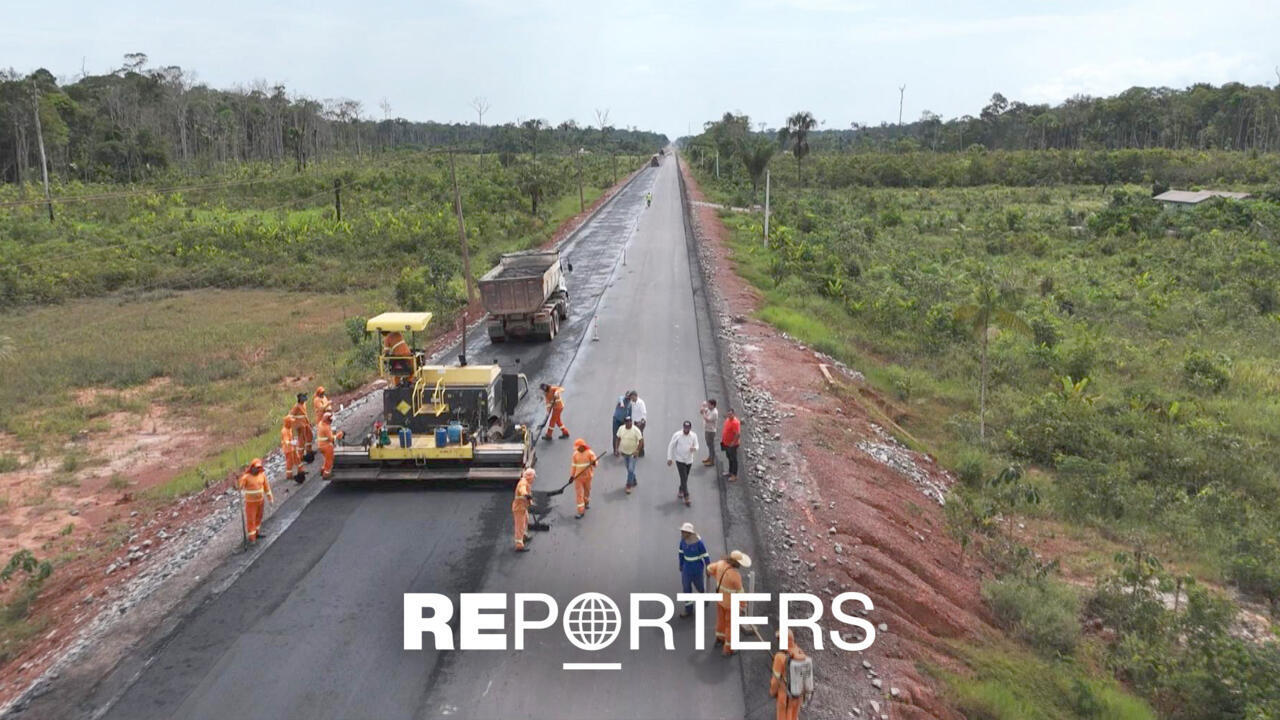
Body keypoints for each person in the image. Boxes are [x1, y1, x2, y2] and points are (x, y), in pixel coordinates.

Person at [707, 550, 750, 655]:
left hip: (720, 600)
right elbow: (740, 592)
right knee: (731, 626)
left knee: (720, 621)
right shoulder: (735, 576)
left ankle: (719, 639)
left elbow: (709, 569)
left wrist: (715, 575)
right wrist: (743, 606)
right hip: (731, 605)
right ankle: (728, 649)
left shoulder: (720, 564)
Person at [770, 630, 815, 720]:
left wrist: (772, 692)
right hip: (798, 694)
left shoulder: (779, 657)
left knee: (783, 716)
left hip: (785, 695)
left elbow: (776, 680)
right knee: (794, 715)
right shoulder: (799, 652)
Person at [236, 458, 273, 542]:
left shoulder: (262, 475)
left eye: (259, 468)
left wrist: (270, 498)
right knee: (251, 519)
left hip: (260, 501)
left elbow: (267, 487)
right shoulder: (246, 477)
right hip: (251, 503)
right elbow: (239, 487)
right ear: (252, 467)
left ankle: (257, 533)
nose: (257, 469)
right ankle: (252, 538)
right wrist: (238, 480)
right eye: (256, 468)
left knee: (259, 517)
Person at [677, 522, 709, 617]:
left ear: (689, 533)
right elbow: (681, 553)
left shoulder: (698, 542)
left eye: (683, 532)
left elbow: (705, 555)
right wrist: (681, 564)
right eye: (682, 531)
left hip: (697, 569)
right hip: (686, 569)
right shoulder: (682, 541)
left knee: (699, 587)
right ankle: (688, 610)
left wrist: (708, 567)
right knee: (686, 589)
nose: (682, 533)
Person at [666, 421, 700, 506]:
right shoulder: (677, 435)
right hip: (680, 459)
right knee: (683, 477)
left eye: (688, 428)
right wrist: (669, 458)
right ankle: (686, 496)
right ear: (683, 427)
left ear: (690, 428)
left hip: (689, 460)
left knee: (685, 477)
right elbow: (671, 446)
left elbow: (697, 445)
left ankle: (681, 489)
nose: (686, 429)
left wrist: (694, 448)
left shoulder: (693, 435)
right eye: (685, 427)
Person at [569, 438, 598, 518]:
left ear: (583, 446)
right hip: (578, 478)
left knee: (587, 491)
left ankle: (586, 502)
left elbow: (595, 464)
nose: (577, 449)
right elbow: (573, 466)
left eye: (578, 447)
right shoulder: (575, 454)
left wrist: (594, 462)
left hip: (588, 476)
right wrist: (572, 476)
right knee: (579, 494)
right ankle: (580, 511)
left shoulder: (590, 453)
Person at [615, 416, 644, 494]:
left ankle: (628, 485)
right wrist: (616, 449)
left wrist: (637, 450)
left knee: (631, 469)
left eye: (630, 421)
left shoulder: (635, 430)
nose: (629, 423)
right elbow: (618, 438)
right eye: (627, 422)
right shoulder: (621, 429)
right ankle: (633, 479)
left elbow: (641, 440)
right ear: (625, 423)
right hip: (624, 453)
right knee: (628, 468)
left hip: (633, 453)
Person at [316, 411, 344, 479]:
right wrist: (338, 435)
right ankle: (326, 474)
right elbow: (331, 439)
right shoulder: (326, 427)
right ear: (328, 420)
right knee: (329, 460)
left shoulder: (320, 424)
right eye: (330, 420)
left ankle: (323, 470)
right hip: (326, 446)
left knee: (326, 459)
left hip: (320, 445)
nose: (331, 421)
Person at [513, 468, 535, 552]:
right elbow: (523, 491)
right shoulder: (523, 483)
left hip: (523, 507)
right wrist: (526, 495)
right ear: (529, 477)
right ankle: (519, 545)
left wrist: (530, 502)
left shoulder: (527, 483)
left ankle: (524, 536)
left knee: (525, 520)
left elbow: (528, 495)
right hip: (519, 508)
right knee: (520, 526)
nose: (534, 479)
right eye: (533, 477)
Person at [289, 392, 314, 459]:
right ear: (300, 398)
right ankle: (300, 456)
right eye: (304, 397)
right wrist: (294, 425)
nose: (306, 398)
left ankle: (309, 451)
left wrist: (309, 422)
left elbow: (305, 415)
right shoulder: (296, 406)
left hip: (306, 423)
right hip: (300, 425)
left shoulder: (304, 404)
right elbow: (290, 415)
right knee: (301, 440)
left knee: (309, 436)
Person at [281, 415, 304, 483]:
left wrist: (293, 441)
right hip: (288, 449)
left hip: (292, 448)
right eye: (291, 422)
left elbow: (291, 438)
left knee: (297, 458)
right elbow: (286, 441)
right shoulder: (284, 431)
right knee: (289, 462)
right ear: (287, 422)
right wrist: (292, 442)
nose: (292, 423)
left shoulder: (289, 429)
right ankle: (289, 475)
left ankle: (301, 471)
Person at [720, 408, 741, 482]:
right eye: (728, 414)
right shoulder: (727, 420)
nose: (729, 415)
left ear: (733, 414)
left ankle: (734, 475)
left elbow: (738, 434)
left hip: (732, 445)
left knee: (734, 459)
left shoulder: (735, 422)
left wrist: (733, 442)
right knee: (729, 457)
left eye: (730, 414)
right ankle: (730, 472)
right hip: (726, 443)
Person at [627, 390, 648, 456]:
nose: (631, 399)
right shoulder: (632, 403)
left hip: (640, 423)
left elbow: (644, 413)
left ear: (635, 396)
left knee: (639, 436)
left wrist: (641, 422)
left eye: (632, 397)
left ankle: (641, 451)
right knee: (637, 436)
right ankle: (639, 450)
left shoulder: (641, 403)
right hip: (635, 422)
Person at [700, 399, 719, 466]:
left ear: (713, 405)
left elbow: (707, 419)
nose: (708, 405)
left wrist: (703, 413)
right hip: (707, 429)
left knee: (711, 446)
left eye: (709, 404)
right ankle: (710, 458)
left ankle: (712, 461)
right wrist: (702, 408)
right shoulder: (709, 409)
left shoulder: (714, 413)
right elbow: (703, 411)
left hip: (711, 431)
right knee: (709, 445)